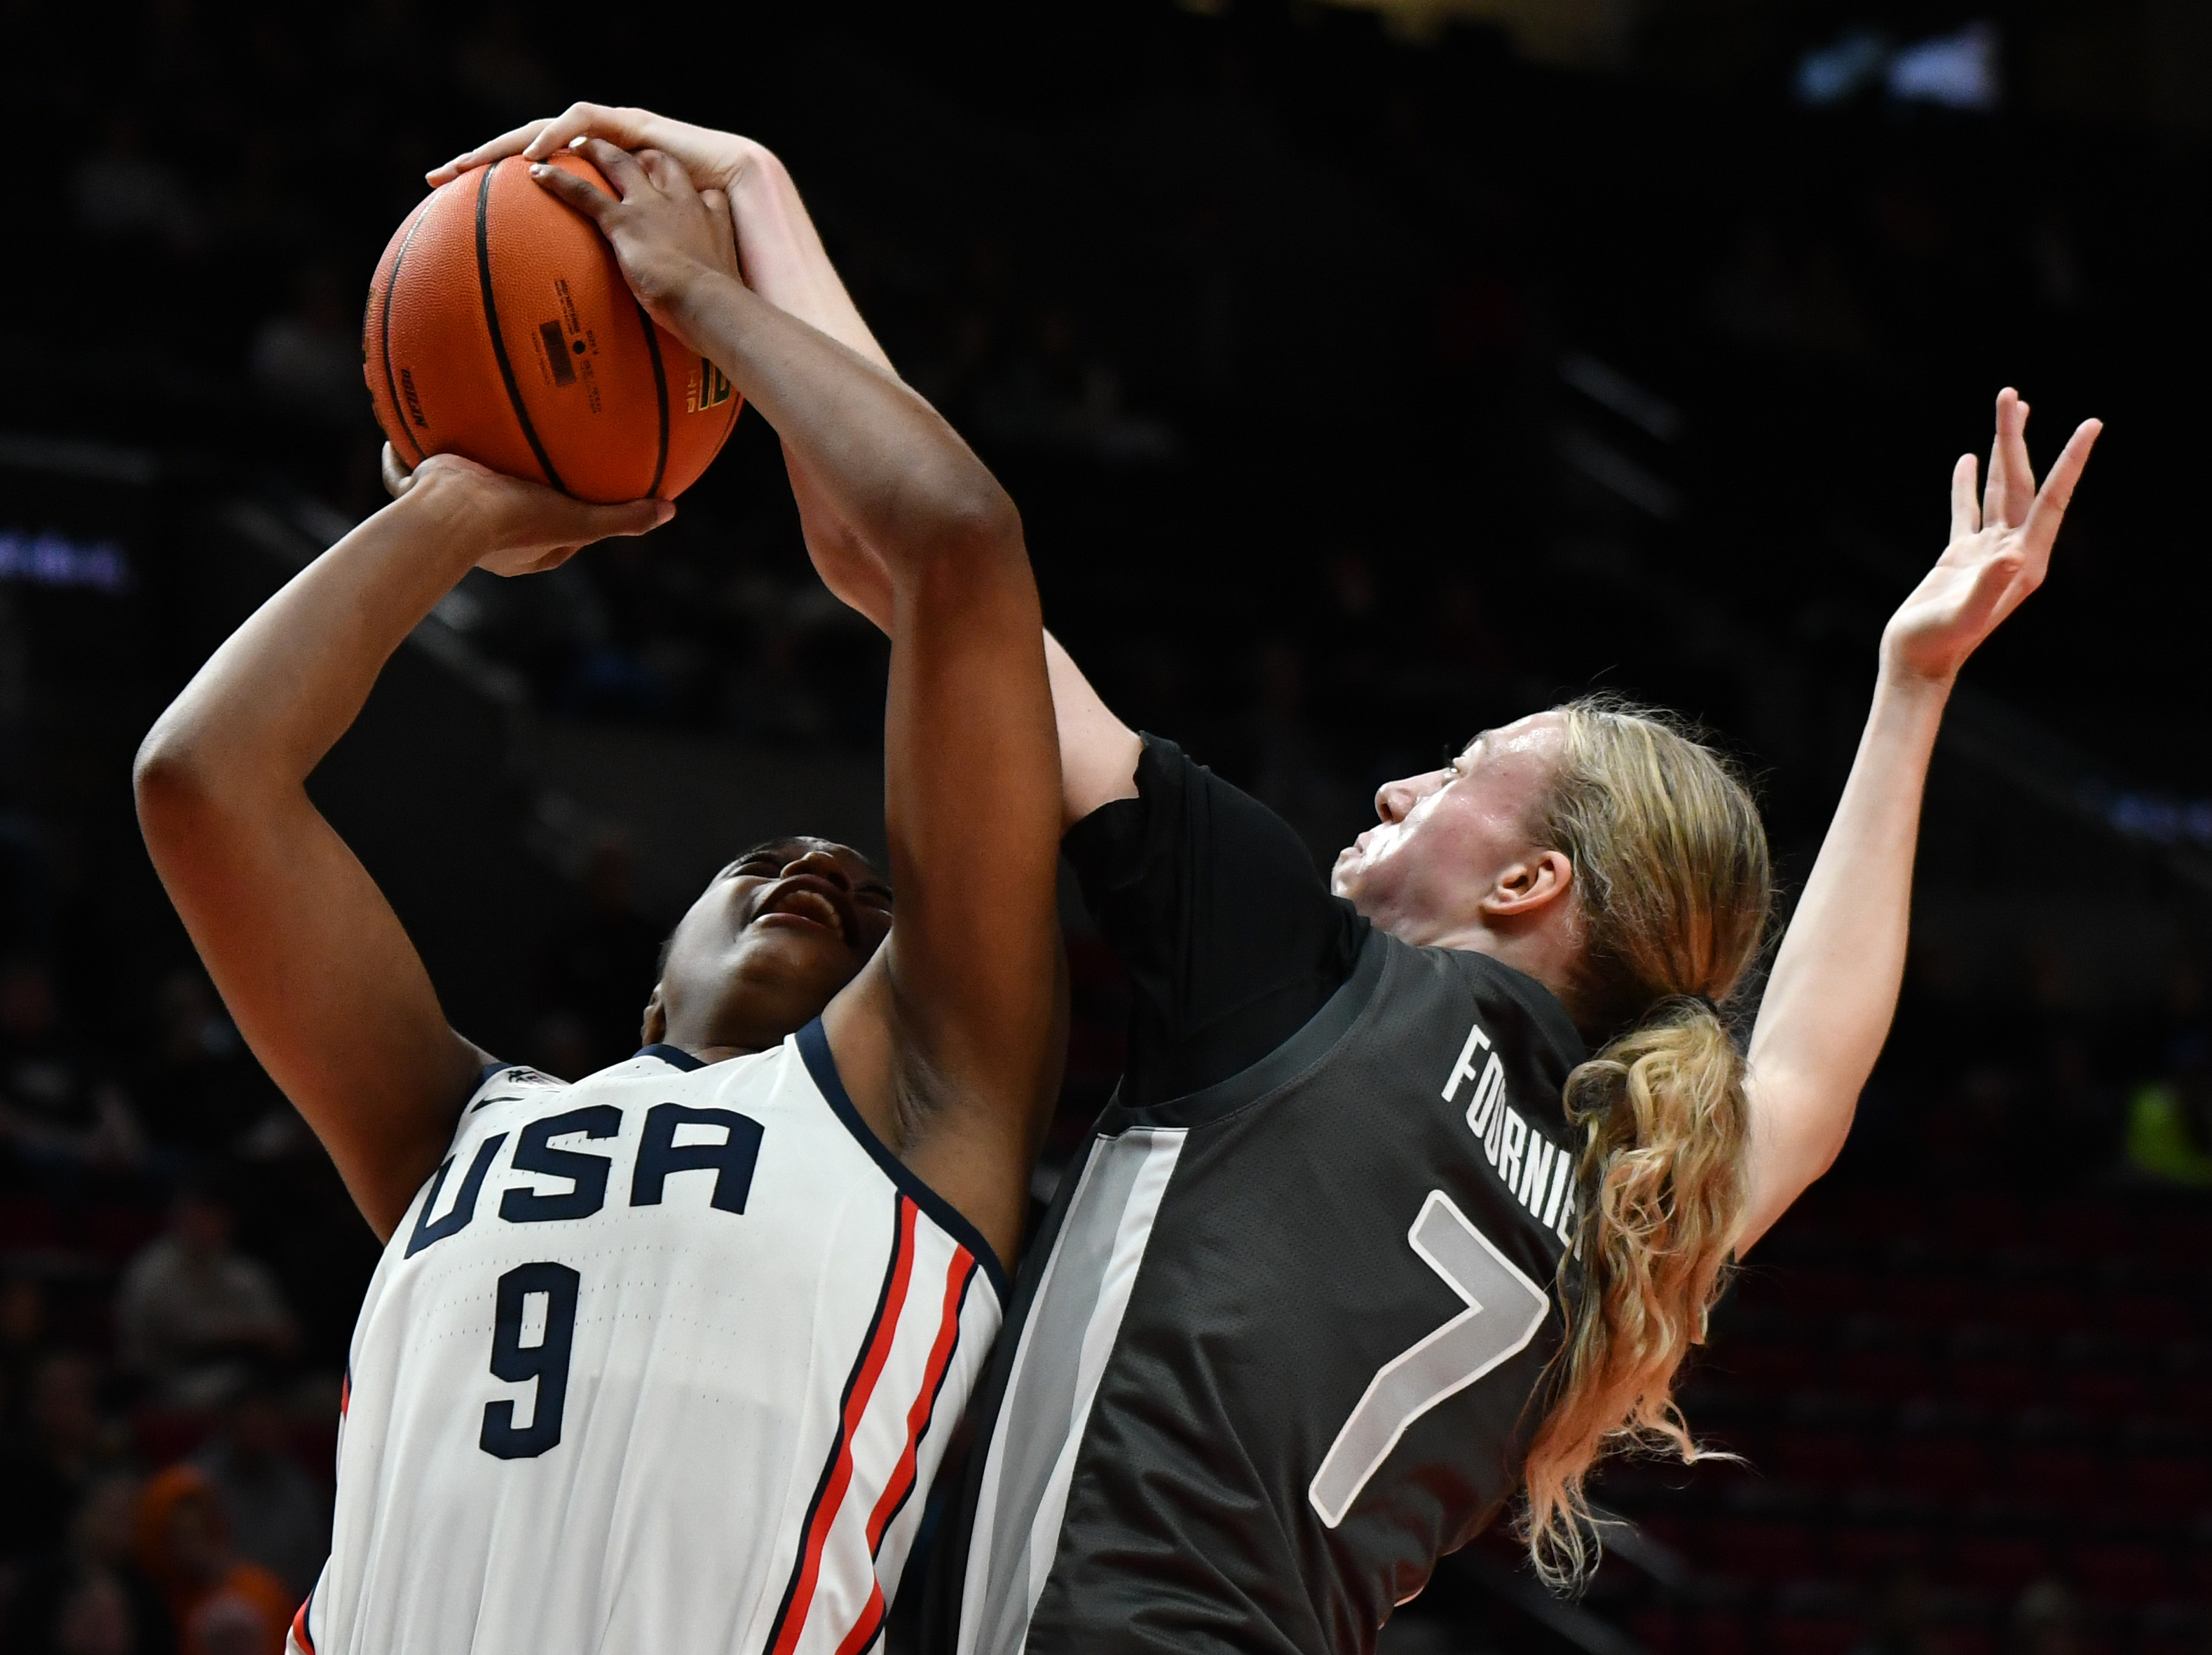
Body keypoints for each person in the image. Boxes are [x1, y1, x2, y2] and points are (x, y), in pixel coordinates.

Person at [441, 109, 2098, 1651]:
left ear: (1526, 880)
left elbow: (919, 563)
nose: (1394, 783)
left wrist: (750, 207)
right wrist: (1907, 694)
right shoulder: (1612, 1190)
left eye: (1455, 772)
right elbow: (1804, 1076)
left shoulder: (1306, 981)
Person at [134, 126, 1063, 1655]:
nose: (819, 863)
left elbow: (958, 547)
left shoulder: (930, 1105)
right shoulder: (463, 1127)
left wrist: (700, 301)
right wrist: (454, 511)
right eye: (756, 864)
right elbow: (201, 784)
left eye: (868, 898)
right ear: (647, 986)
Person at [115, 1186, 296, 1408]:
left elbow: (284, 1339)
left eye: (212, 1220)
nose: (204, 1228)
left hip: (248, 1373)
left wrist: (257, 1339)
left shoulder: (243, 1273)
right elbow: (165, 1339)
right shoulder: (153, 1270)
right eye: (196, 1220)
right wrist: (239, 1335)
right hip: (168, 1377)